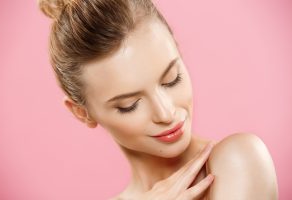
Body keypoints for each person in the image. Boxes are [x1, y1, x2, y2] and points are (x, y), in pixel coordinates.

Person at [38, 0, 278, 199]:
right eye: (129, 105)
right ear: (82, 112)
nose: (166, 113)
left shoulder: (238, 161)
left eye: (172, 79)